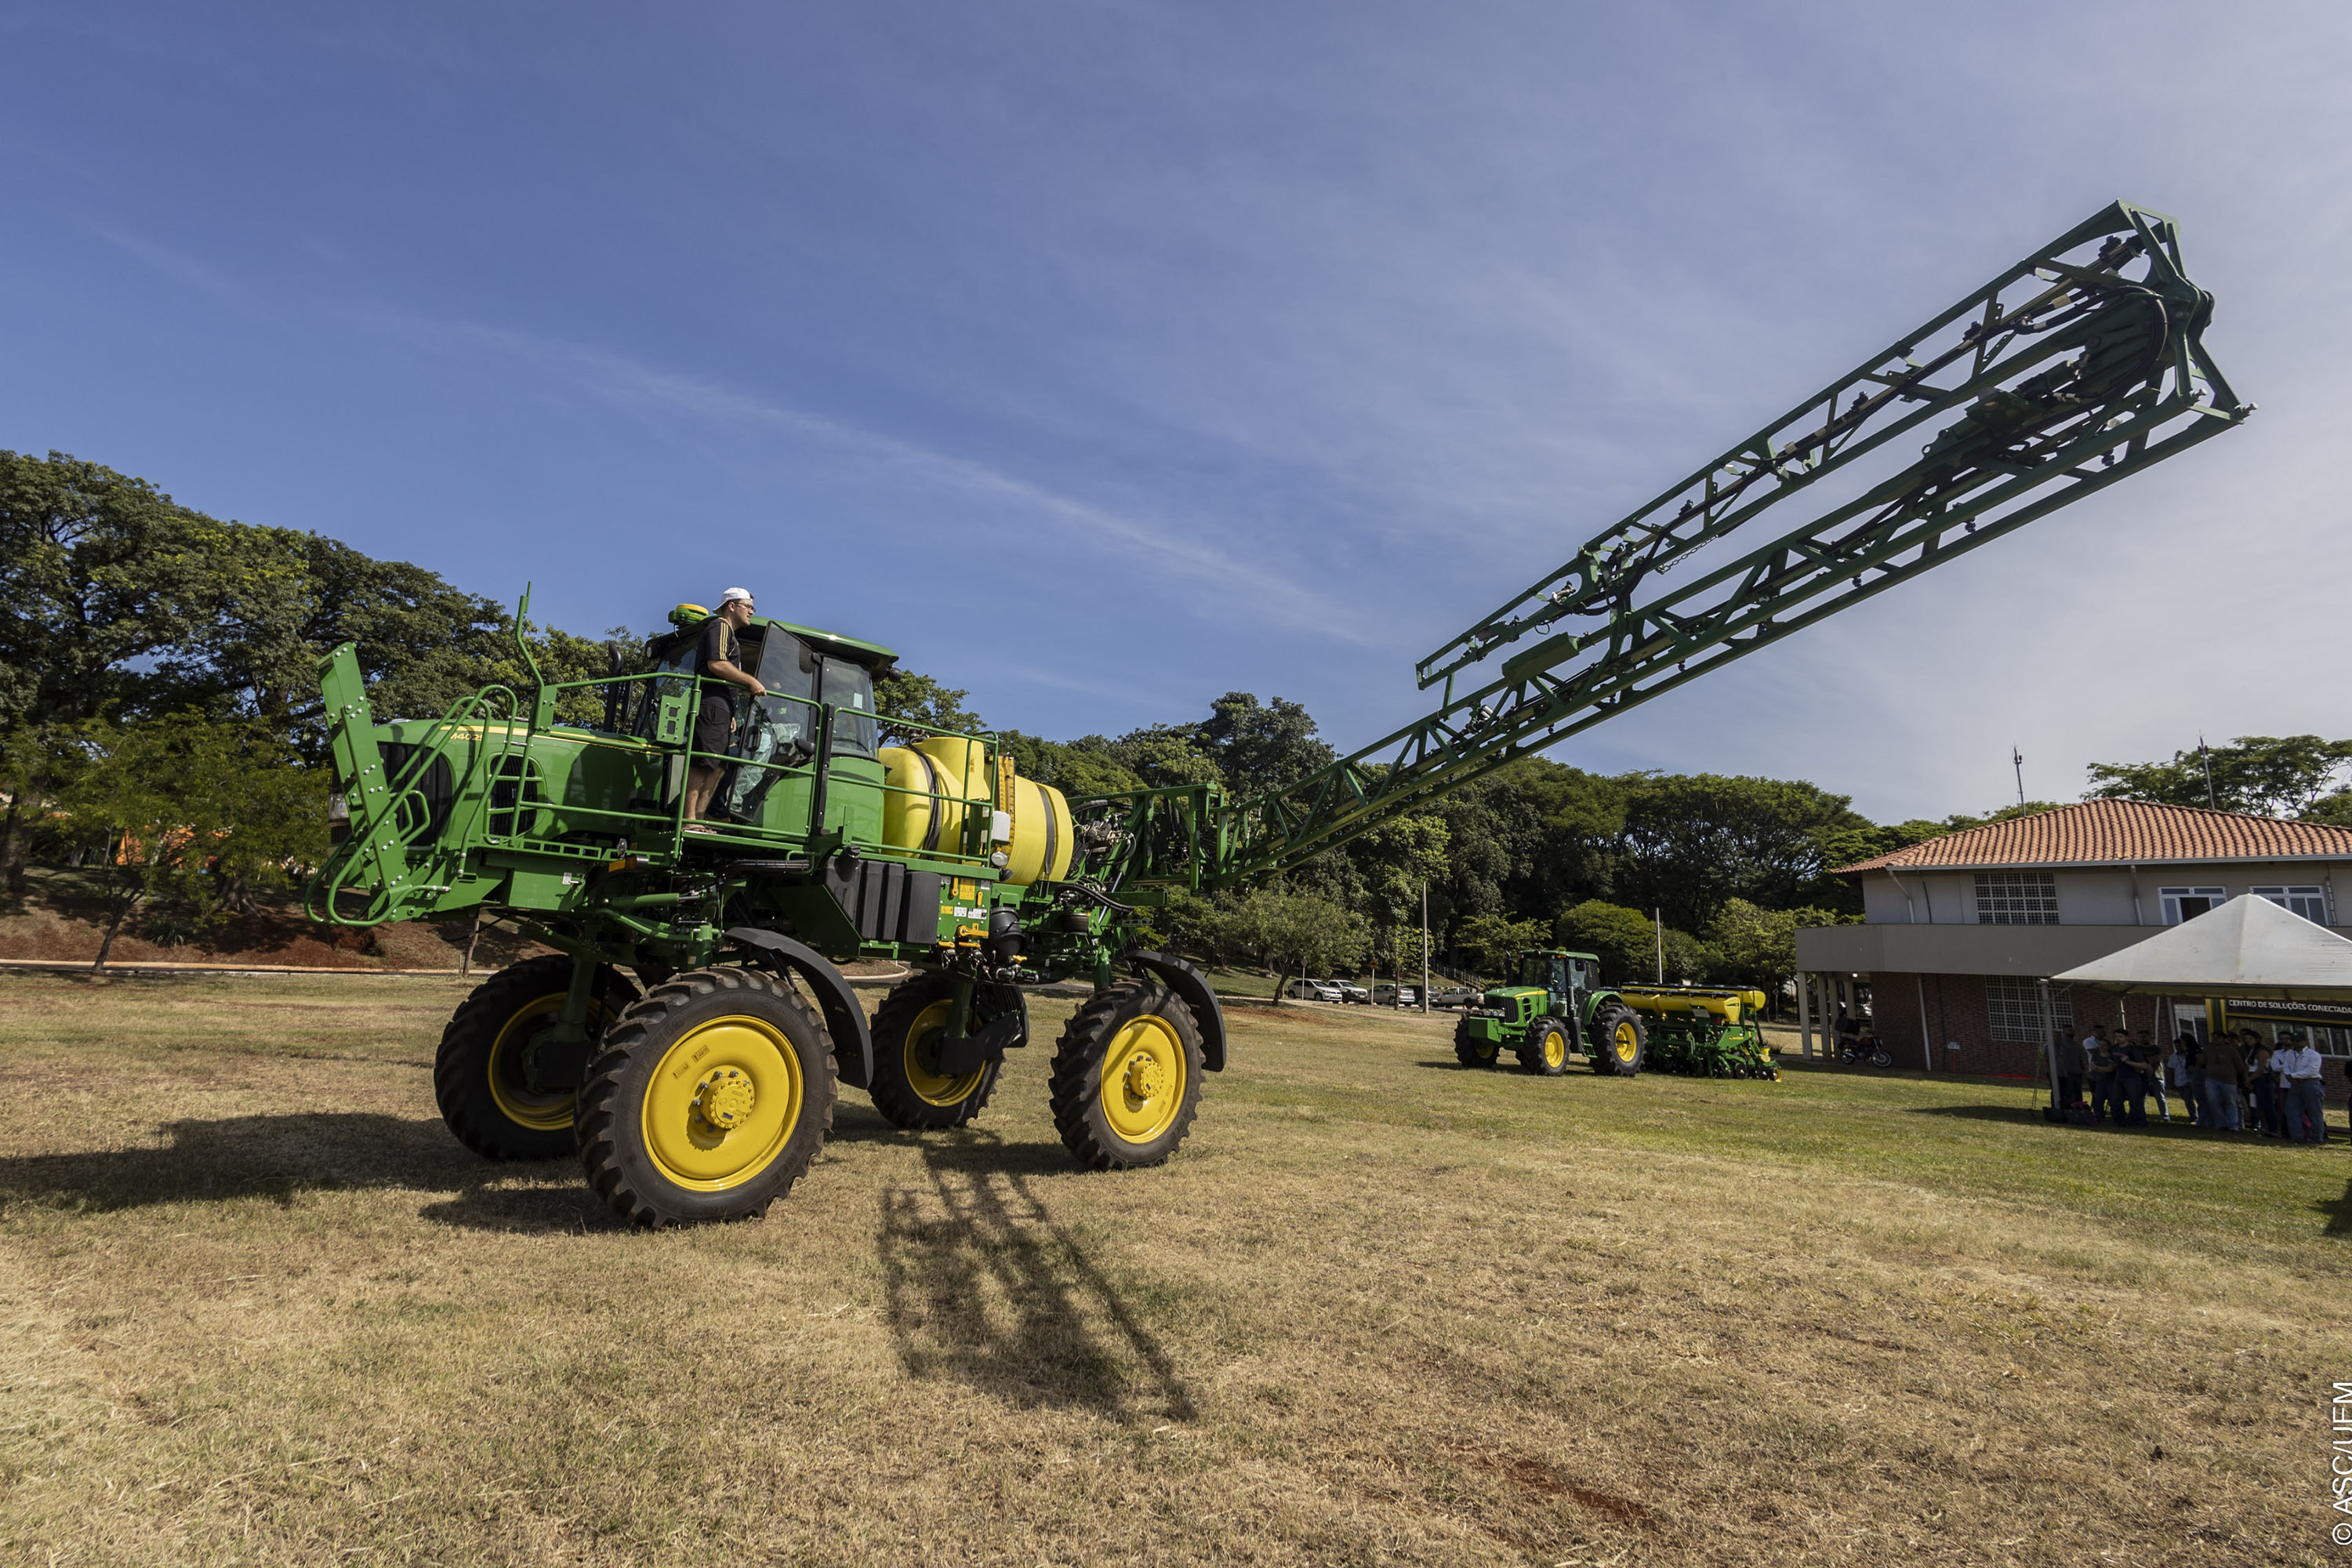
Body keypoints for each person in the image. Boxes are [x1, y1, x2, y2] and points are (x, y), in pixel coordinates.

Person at [683, 587, 767, 822]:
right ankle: (689, 819)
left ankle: (700, 816)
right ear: (731, 606)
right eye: (747, 606)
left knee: (719, 765)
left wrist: (730, 711)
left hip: (721, 707)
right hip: (711, 704)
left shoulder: (730, 635)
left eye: (752, 607)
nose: (751, 611)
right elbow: (717, 664)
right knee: (704, 761)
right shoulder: (720, 626)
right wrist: (750, 681)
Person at [2276, 1030, 2328, 1144]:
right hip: (2295, 1085)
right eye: (2293, 1041)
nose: (2295, 1043)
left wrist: (2293, 1076)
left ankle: (2316, 1139)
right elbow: (2285, 1066)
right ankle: (2298, 1138)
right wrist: (2289, 1076)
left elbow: (2311, 1071)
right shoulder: (2290, 1053)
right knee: (2291, 1111)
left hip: (2311, 1083)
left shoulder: (2313, 1055)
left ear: (2305, 1041)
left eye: (2298, 1041)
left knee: (2315, 1113)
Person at [2200, 1027, 2244, 1133]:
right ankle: (2221, 1123)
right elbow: (2201, 1063)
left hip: (2229, 1081)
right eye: (2214, 1037)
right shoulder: (2208, 1049)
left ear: (2224, 1039)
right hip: (2211, 1079)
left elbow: (2240, 1066)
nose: (2215, 1039)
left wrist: (2231, 1074)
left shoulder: (2231, 1051)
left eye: (2218, 1037)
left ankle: (2233, 1125)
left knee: (2231, 1102)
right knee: (2213, 1101)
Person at [2245, 1034, 2281, 1136]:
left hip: (2263, 1080)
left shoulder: (2262, 1052)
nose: (2248, 1040)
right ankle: (2264, 1128)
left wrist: (2250, 1079)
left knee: (2267, 1106)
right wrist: (2247, 1079)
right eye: (2246, 1038)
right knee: (2257, 1106)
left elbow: (2261, 1069)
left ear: (2257, 1040)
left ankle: (2273, 1129)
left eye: (2251, 1038)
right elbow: (2247, 1066)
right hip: (2253, 1080)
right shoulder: (2251, 1051)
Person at [2114, 1029, 2151, 1127]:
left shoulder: (2132, 1050)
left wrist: (2128, 1062)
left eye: (2120, 1036)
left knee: (2135, 1101)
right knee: (2116, 1101)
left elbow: (2143, 1065)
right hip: (2119, 1077)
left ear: (2126, 1038)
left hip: (2132, 1078)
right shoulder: (2114, 1049)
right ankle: (2120, 1122)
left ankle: (2138, 1122)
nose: (2118, 1039)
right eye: (2116, 1036)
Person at [2085, 1025, 2118, 1123]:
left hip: (2110, 1081)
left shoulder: (2111, 1056)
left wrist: (2099, 1069)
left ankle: (2116, 1116)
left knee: (2113, 1099)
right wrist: (2102, 1069)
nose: (2101, 1047)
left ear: (2108, 1047)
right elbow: (2093, 1066)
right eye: (2100, 1045)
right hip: (2099, 1080)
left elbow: (2110, 1069)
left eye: (2103, 1045)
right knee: (2098, 1098)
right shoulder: (2096, 1055)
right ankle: (2099, 1116)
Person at [2135, 1029, 2169, 1122]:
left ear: (2149, 1037)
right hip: (2142, 1076)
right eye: (2140, 1037)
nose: (2142, 1039)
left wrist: (2143, 1061)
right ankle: (2142, 1115)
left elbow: (2156, 1058)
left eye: (2144, 1037)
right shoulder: (2137, 1049)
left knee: (2160, 1097)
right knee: (2142, 1097)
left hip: (2156, 1075)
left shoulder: (2156, 1048)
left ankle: (2165, 1117)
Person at [2046, 1029, 2083, 1112]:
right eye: (2055, 1037)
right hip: (2054, 1073)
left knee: (2066, 1092)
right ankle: (2055, 1109)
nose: (2057, 1039)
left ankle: (2065, 1108)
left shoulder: (2064, 1047)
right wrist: (2049, 1072)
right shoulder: (2048, 1047)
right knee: (2056, 1091)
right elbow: (2046, 1060)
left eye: (2059, 1037)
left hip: (2065, 1073)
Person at [2180, 1030, 2207, 1128]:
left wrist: (2196, 1067)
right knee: (2195, 1098)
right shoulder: (2188, 1051)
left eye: (2182, 1041)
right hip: (2192, 1075)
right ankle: (2200, 1118)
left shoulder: (2194, 1050)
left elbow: (2200, 1057)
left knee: (2201, 1098)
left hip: (2196, 1074)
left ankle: (2203, 1120)